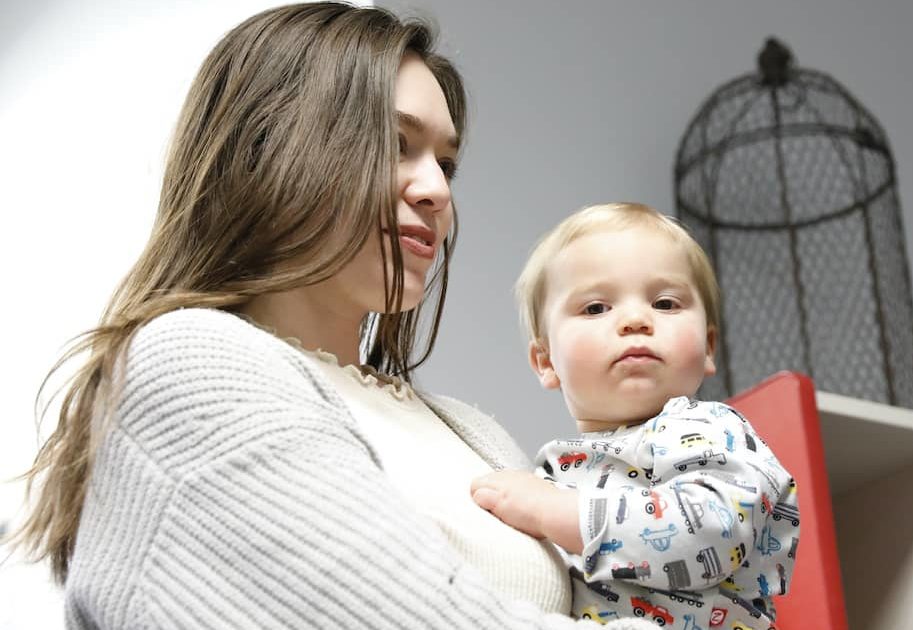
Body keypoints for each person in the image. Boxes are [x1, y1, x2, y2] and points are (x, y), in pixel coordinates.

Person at [8, 3, 656, 628]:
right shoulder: (189, 366)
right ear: (270, 149)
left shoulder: (466, 431)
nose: (436, 191)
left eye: (447, 163)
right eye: (396, 143)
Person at [471, 203, 799, 628]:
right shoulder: (553, 472)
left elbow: (714, 533)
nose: (635, 320)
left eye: (664, 303)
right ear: (546, 361)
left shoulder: (711, 429)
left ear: (708, 346)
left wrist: (558, 513)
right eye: (595, 308)